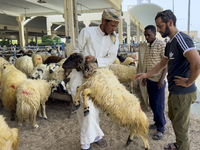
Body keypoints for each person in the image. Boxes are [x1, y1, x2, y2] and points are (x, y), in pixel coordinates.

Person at [135, 9, 200, 150]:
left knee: (181, 127)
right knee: (174, 119)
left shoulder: (181, 39)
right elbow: (162, 64)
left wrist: (189, 81)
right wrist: (146, 75)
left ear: (170, 23)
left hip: (183, 92)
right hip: (175, 91)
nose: (158, 30)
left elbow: (197, 63)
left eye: (160, 26)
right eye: (157, 26)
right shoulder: (170, 43)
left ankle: (182, 146)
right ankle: (178, 144)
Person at [69, 9, 121, 150]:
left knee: (96, 109)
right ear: (104, 21)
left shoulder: (114, 39)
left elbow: (111, 59)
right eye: (112, 25)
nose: (114, 29)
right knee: (87, 110)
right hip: (80, 77)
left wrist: (96, 60)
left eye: (116, 26)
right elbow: (75, 52)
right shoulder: (87, 32)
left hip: (98, 79)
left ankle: (96, 137)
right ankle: (85, 143)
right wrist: (83, 68)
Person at [143, 25, 167, 140]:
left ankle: (161, 128)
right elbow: (148, 64)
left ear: (155, 34)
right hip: (150, 80)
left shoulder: (162, 44)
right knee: (152, 103)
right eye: (145, 35)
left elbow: (165, 63)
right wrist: (144, 78)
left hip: (158, 81)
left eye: (149, 35)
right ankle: (157, 123)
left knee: (158, 105)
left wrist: (162, 79)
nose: (146, 37)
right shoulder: (148, 47)